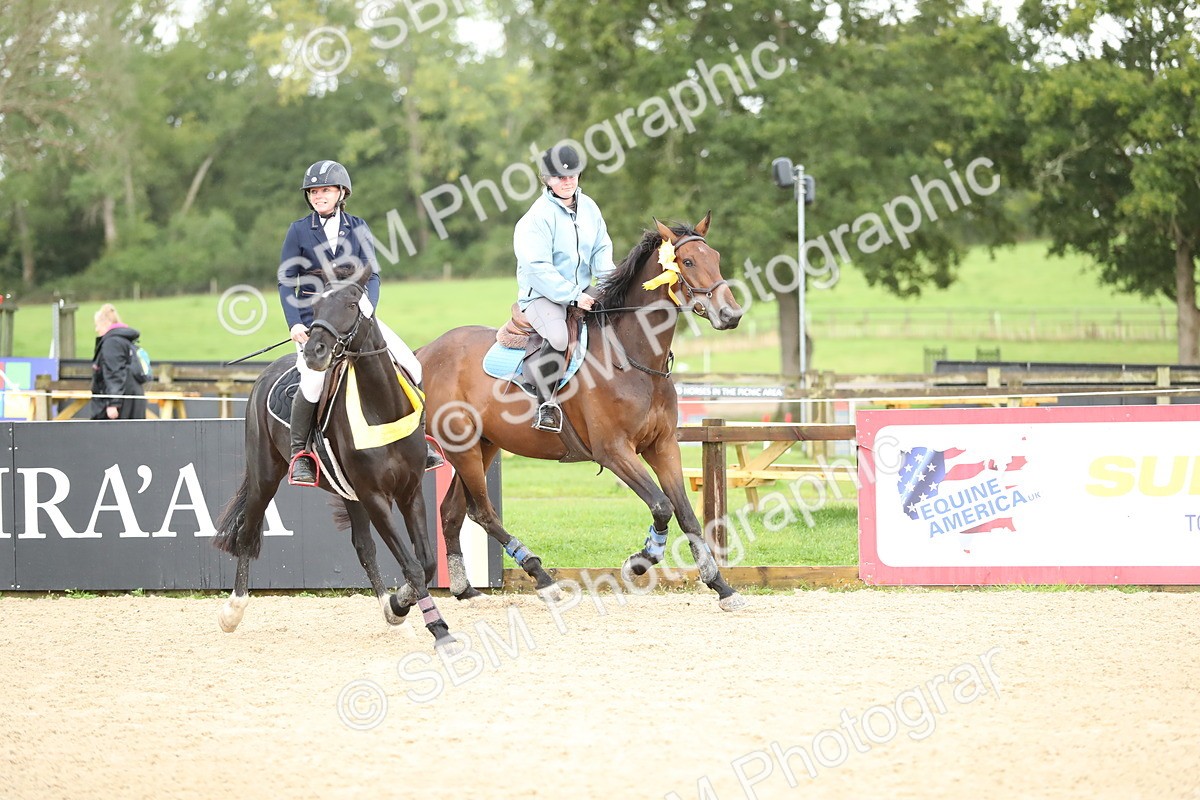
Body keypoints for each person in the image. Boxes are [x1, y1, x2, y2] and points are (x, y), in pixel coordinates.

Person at [279, 159, 442, 485]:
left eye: (325, 190)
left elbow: (373, 275)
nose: (318, 196)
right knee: (312, 382)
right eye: (313, 192)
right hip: (318, 323)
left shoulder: (358, 227)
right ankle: (302, 455)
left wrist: (367, 308)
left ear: (341, 192)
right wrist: (295, 323)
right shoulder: (299, 230)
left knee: (412, 365)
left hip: (357, 317)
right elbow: (286, 282)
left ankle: (420, 441)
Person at [514, 143, 616, 432]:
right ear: (547, 179)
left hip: (582, 290)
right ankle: (545, 405)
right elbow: (537, 268)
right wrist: (573, 296)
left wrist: (610, 283)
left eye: (572, 175)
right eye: (560, 177)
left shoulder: (590, 208)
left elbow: (601, 249)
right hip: (543, 295)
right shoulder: (536, 217)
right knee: (559, 338)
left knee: (621, 317)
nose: (568, 181)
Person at [88, 303, 147, 420]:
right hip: (132, 396)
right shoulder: (124, 340)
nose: (96, 329)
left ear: (106, 323)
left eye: (97, 325)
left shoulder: (112, 343)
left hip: (122, 404)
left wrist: (113, 403)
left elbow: (114, 373)